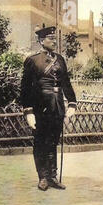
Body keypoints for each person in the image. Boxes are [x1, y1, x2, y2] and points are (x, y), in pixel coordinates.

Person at [20, 26, 77, 191]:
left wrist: (72, 102)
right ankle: (43, 177)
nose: (54, 41)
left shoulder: (60, 59)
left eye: (54, 38)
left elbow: (66, 83)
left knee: (53, 141)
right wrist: (28, 111)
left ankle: (53, 176)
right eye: (50, 38)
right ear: (41, 41)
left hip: (57, 106)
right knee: (40, 142)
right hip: (40, 107)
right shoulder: (33, 60)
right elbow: (25, 88)